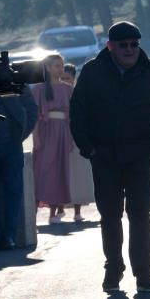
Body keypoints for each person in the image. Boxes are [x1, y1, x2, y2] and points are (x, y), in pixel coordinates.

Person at [70, 21, 150, 293]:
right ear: (110, 46)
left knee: (140, 215)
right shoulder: (93, 72)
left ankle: (144, 275)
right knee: (110, 216)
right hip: (103, 155)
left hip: (140, 154)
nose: (129, 50)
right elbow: (78, 111)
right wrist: (87, 147)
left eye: (134, 44)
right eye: (123, 45)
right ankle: (113, 270)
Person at [31, 54, 76, 224]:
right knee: (41, 172)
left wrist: (71, 137)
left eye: (62, 65)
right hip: (46, 132)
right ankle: (32, 212)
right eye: (57, 66)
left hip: (63, 132)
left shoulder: (68, 89)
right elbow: (34, 115)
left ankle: (54, 212)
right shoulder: (39, 88)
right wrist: (36, 137)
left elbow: (73, 115)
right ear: (48, 68)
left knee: (60, 171)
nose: (60, 69)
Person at [0, 80, 37, 250]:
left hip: (11, 146)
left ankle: (9, 236)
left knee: (13, 191)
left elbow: (31, 109)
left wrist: (19, 135)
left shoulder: (11, 77)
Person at [62, 63, 94, 221]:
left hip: (77, 136)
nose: (65, 81)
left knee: (78, 173)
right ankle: (60, 208)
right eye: (62, 78)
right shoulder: (55, 91)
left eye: (68, 78)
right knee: (62, 171)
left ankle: (77, 211)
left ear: (74, 79)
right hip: (60, 134)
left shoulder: (81, 93)